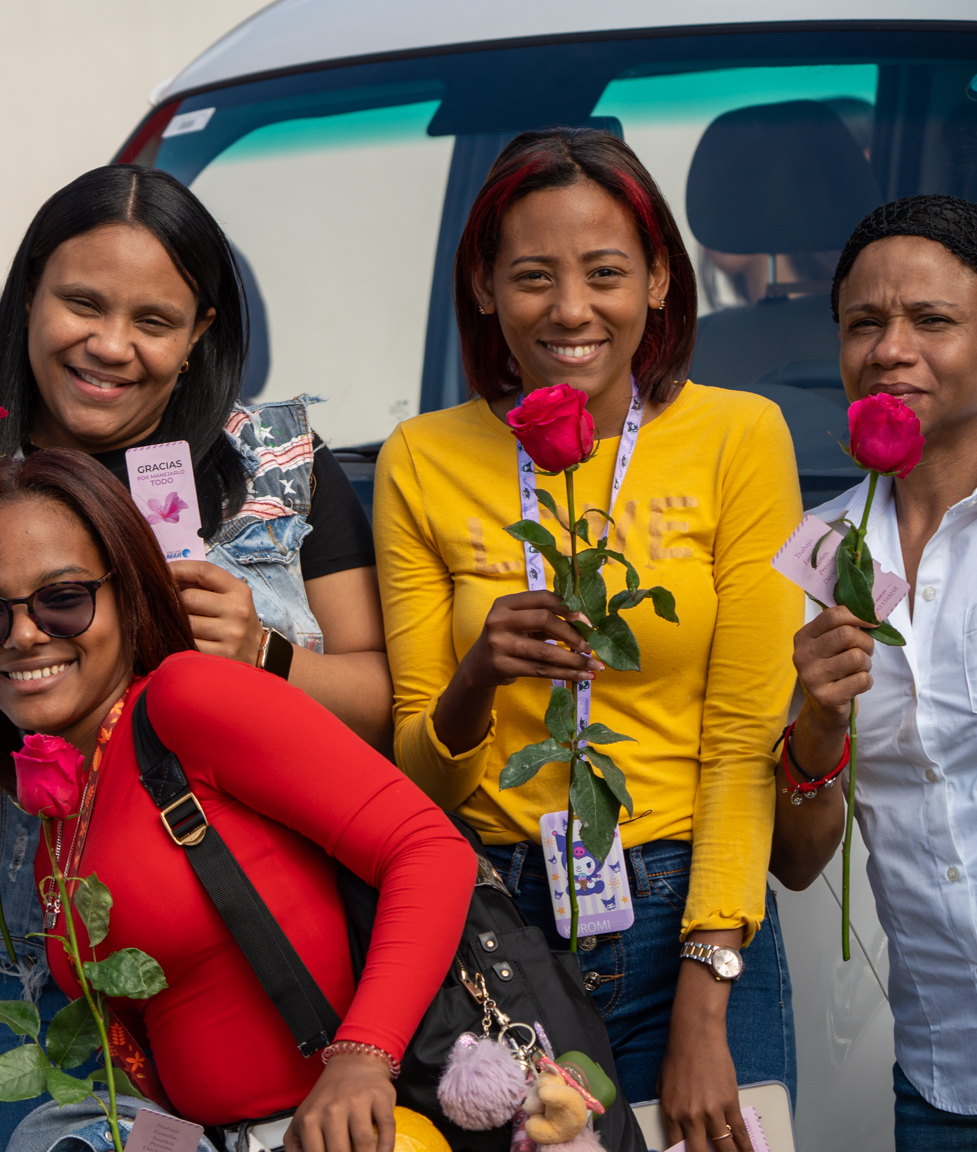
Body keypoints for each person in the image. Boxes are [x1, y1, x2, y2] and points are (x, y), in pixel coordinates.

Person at [0, 163, 392, 1150]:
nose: (110, 345)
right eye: (81, 303)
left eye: (153, 319)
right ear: (25, 300)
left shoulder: (280, 467)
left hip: (280, 971)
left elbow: (383, 708)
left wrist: (262, 653)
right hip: (40, 1004)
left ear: (199, 335)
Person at [374, 127, 799, 1152]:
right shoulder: (419, 459)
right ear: (481, 289)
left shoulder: (739, 438)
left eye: (604, 272)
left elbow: (743, 737)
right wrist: (478, 673)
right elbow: (417, 783)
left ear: (658, 279)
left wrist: (704, 1002)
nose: (569, 310)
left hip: (681, 912)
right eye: (531, 276)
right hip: (494, 922)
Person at [0, 448, 473, 1152]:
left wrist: (362, 1059)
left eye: (63, 599)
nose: (24, 635)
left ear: (128, 594)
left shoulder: (188, 698)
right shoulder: (68, 795)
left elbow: (426, 849)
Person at [771, 194, 977, 1150]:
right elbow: (801, 861)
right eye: (864, 324)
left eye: (932, 320)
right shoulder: (820, 553)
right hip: (943, 1076)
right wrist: (817, 722)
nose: (891, 349)